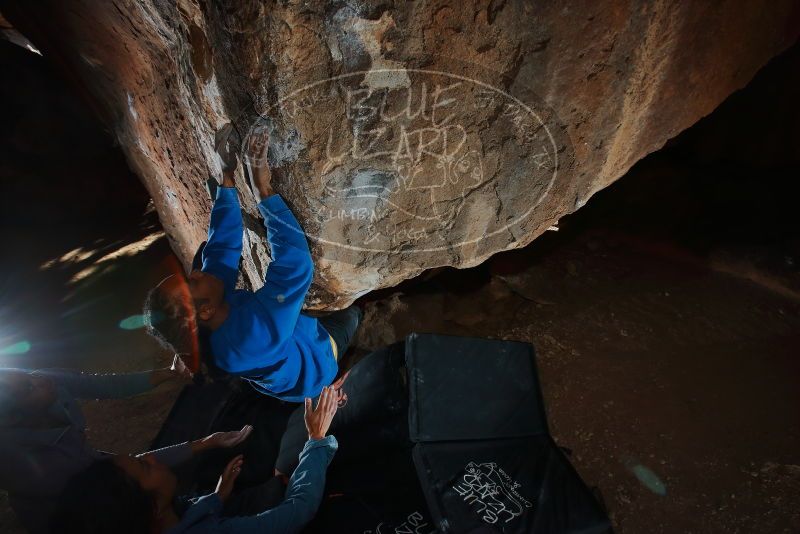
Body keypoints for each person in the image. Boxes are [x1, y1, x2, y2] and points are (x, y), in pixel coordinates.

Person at [144, 124, 361, 402]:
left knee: (211, 258)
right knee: (351, 316)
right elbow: (295, 267)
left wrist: (227, 177)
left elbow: (221, 250)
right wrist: (264, 192)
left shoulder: (208, 315)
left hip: (280, 345)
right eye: (191, 282)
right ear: (207, 310)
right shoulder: (250, 337)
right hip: (315, 368)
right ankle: (338, 368)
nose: (196, 272)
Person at [0, 361, 251, 533]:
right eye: (29, 387)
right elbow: (126, 468)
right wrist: (203, 444)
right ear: (14, 418)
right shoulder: (42, 468)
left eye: (27, 373)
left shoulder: (40, 386)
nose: (41, 379)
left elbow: (99, 386)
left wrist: (167, 372)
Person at [51, 385, 342, 533]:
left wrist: (217, 496)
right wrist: (316, 439)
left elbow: (185, 514)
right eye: (144, 466)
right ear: (151, 509)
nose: (154, 460)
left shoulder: (161, 516)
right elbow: (298, 512)